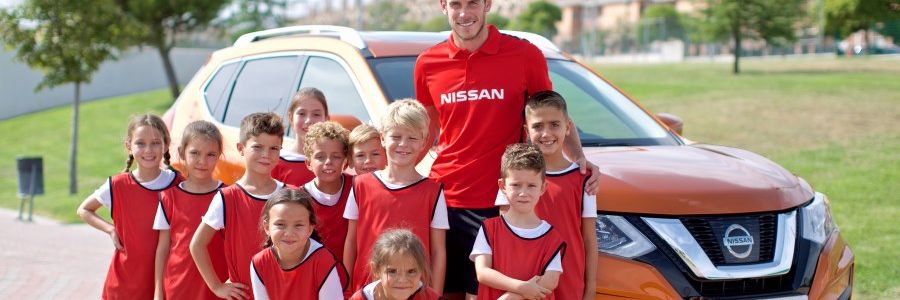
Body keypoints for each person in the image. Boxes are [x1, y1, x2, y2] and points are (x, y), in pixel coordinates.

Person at [414, 1, 598, 297]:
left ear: (487, 4)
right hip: (443, 200)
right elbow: (429, 130)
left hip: (500, 200)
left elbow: (552, 115)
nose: (464, 13)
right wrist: (393, 173)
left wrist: (579, 158)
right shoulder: (427, 63)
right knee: (440, 293)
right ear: (442, 6)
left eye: (472, 3)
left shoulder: (524, 55)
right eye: (455, 4)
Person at [495, 91, 597, 299]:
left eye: (554, 125)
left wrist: (590, 288)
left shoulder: (584, 179)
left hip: (570, 281)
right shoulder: (513, 179)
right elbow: (504, 236)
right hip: (526, 281)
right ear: (527, 131)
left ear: (568, 127)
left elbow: (589, 238)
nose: (546, 133)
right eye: (538, 126)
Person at [344, 100, 448, 293]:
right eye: (396, 136)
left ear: (424, 142)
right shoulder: (360, 185)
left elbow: (438, 251)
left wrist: (435, 296)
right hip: (367, 290)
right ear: (383, 138)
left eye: (412, 138)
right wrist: (348, 289)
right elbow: (351, 242)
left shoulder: (433, 192)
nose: (403, 144)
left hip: (414, 292)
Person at [76, 114, 182, 299]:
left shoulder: (178, 184)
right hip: (123, 284)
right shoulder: (118, 185)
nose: (148, 150)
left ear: (166, 145)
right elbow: (84, 210)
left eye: (155, 143)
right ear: (129, 147)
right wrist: (110, 229)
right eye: (140, 143)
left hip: (166, 283)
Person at [190, 112, 287, 300]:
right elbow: (197, 244)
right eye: (257, 147)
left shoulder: (290, 194)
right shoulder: (227, 198)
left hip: (286, 292)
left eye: (274, 148)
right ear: (241, 148)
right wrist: (217, 286)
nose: (266, 155)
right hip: (245, 295)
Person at [471, 144, 565, 300]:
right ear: (502, 186)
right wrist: (522, 288)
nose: (523, 193)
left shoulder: (552, 237)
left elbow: (551, 280)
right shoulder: (489, 229)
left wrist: (511, 297)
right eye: (516, 185)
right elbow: (482, 272)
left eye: (531, 186)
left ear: (543, 188)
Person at [153, 120, 228, 299]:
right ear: (181, 153)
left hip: (219, 285)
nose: (202, 161)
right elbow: (163, 248)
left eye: (210, 154)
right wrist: (158, 292)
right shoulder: (168, 197)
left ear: (219, 155)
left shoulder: (229, 195)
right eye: (195, 153)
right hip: (179, 286)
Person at [249, 189, 344, 300]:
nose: (289, 233)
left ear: (310, 229)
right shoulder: (259, 262)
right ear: (267, 227)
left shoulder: (322, 260)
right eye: (280, 224)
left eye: (298, 225)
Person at [301, 121, 353, 281]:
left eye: (336, 156)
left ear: (345, 161)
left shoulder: (357, 187)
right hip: (313, 279)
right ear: (308, 163)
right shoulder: (298, 198)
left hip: (350, 280)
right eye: (320, 157)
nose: (328, 161)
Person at [349, 229, 444, 300]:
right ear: (376, 270)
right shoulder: (360, 298)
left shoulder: (430, 298)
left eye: (411, 271)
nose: (402, 280)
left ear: (421, 271)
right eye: (392, 271)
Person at [271, 87, 330, 187]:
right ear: (290, 118)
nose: (308, 120)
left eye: (316, 114)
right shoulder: (275, 161)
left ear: (327, 119)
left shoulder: (335, 162)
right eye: (302, 114)